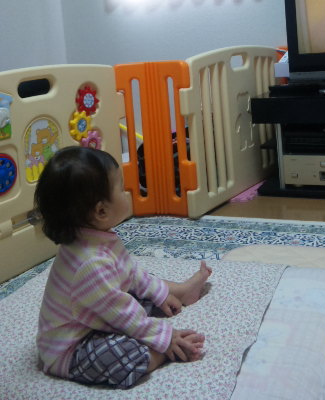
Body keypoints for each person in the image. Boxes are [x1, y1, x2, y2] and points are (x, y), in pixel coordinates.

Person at [34, 146, 211, 389]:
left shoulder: (96, 237)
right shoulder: (90, 264)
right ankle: (155, 355)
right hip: (72, 347)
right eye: (121, 188)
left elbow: (131, 273)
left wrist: (160, 295)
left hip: (98, 314)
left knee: (135, 288)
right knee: (122, 353)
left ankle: (180, 291)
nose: (127, 191)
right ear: (101, 211)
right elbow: (124, 313)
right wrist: (166, 339)